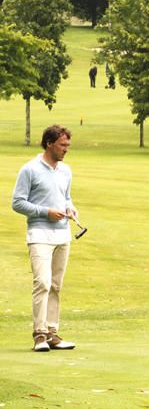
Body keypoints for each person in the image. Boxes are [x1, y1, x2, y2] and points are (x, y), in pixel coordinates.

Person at [12, 125, 79, 352]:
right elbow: (18, 202)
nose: (66, 150)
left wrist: (71, 209)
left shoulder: (65, 170)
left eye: (68, 145)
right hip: (39, 233)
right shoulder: (29, 170)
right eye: (62, 145)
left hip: (62, 233)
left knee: (56, 286)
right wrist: (45, 211)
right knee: (42, 282)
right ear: (49, 143)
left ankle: (52, 333)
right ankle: (39, 335)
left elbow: (66, 197)